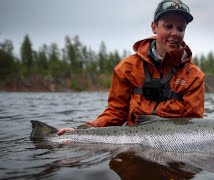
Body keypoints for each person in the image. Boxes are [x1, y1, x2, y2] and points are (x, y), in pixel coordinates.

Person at [57, 0, 205, 135]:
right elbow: (116, 112)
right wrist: (81, 131)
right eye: (168, 26)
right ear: (154, 27)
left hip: (174, 149)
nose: (175, 33)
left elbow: (194, 125)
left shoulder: (194, 76)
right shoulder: (127, 68)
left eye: (181, 28)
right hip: (132, 146)